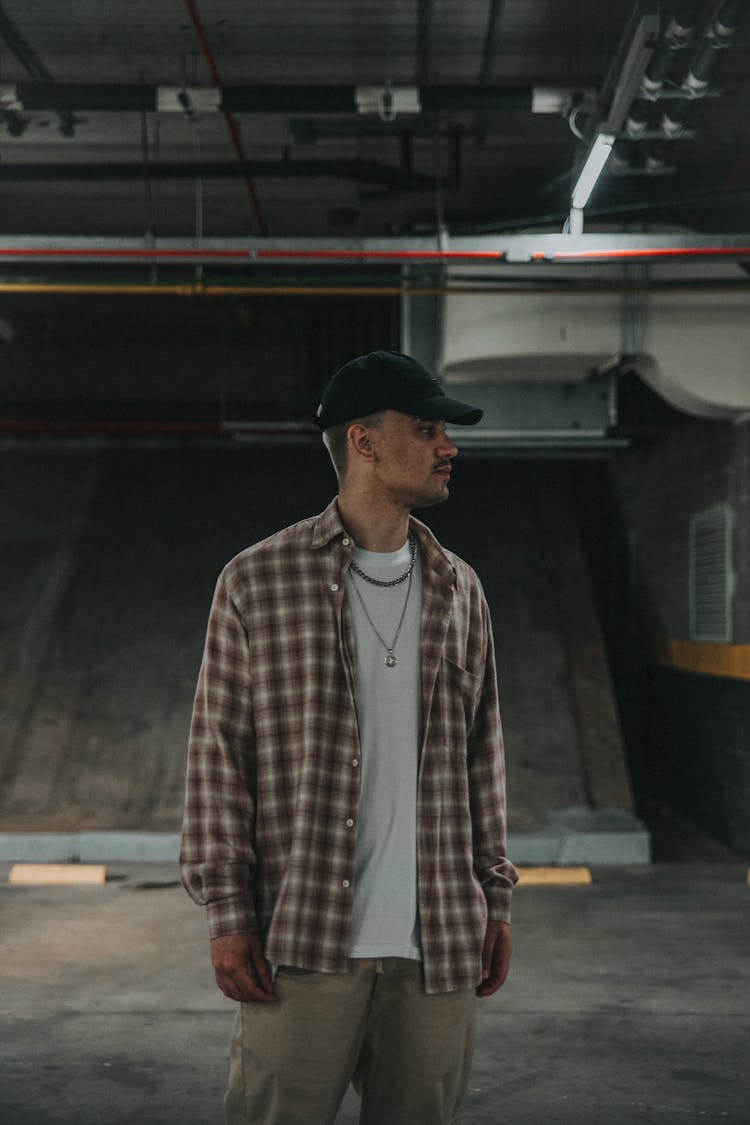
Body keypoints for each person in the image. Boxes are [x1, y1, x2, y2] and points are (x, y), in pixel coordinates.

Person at [180, 349, 518, 1125]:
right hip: (302, 948)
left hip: (438, 945)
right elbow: (217, 755)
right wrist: (228, 911)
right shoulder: (256, 581)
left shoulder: (460, 588)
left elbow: (483, 755)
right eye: (427, 428)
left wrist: (495, 897)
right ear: (363, 442)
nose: (449, 446)